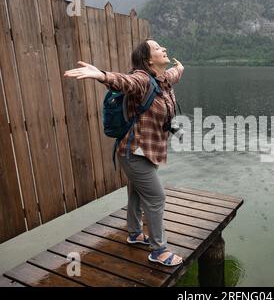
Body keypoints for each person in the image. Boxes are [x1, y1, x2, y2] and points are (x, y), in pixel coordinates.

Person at [64, 39, 184, 267]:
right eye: (158, 48)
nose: (164, 49)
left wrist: (180, 68)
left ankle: (134, 233)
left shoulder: (163, 79)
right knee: (156, 197)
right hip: (134, 152)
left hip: (148, 150)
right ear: (149, 60)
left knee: (137, 193)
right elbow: (124, 82)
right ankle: (159, 251)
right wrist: (101, 75)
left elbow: (174, 75)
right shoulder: (142, 79)